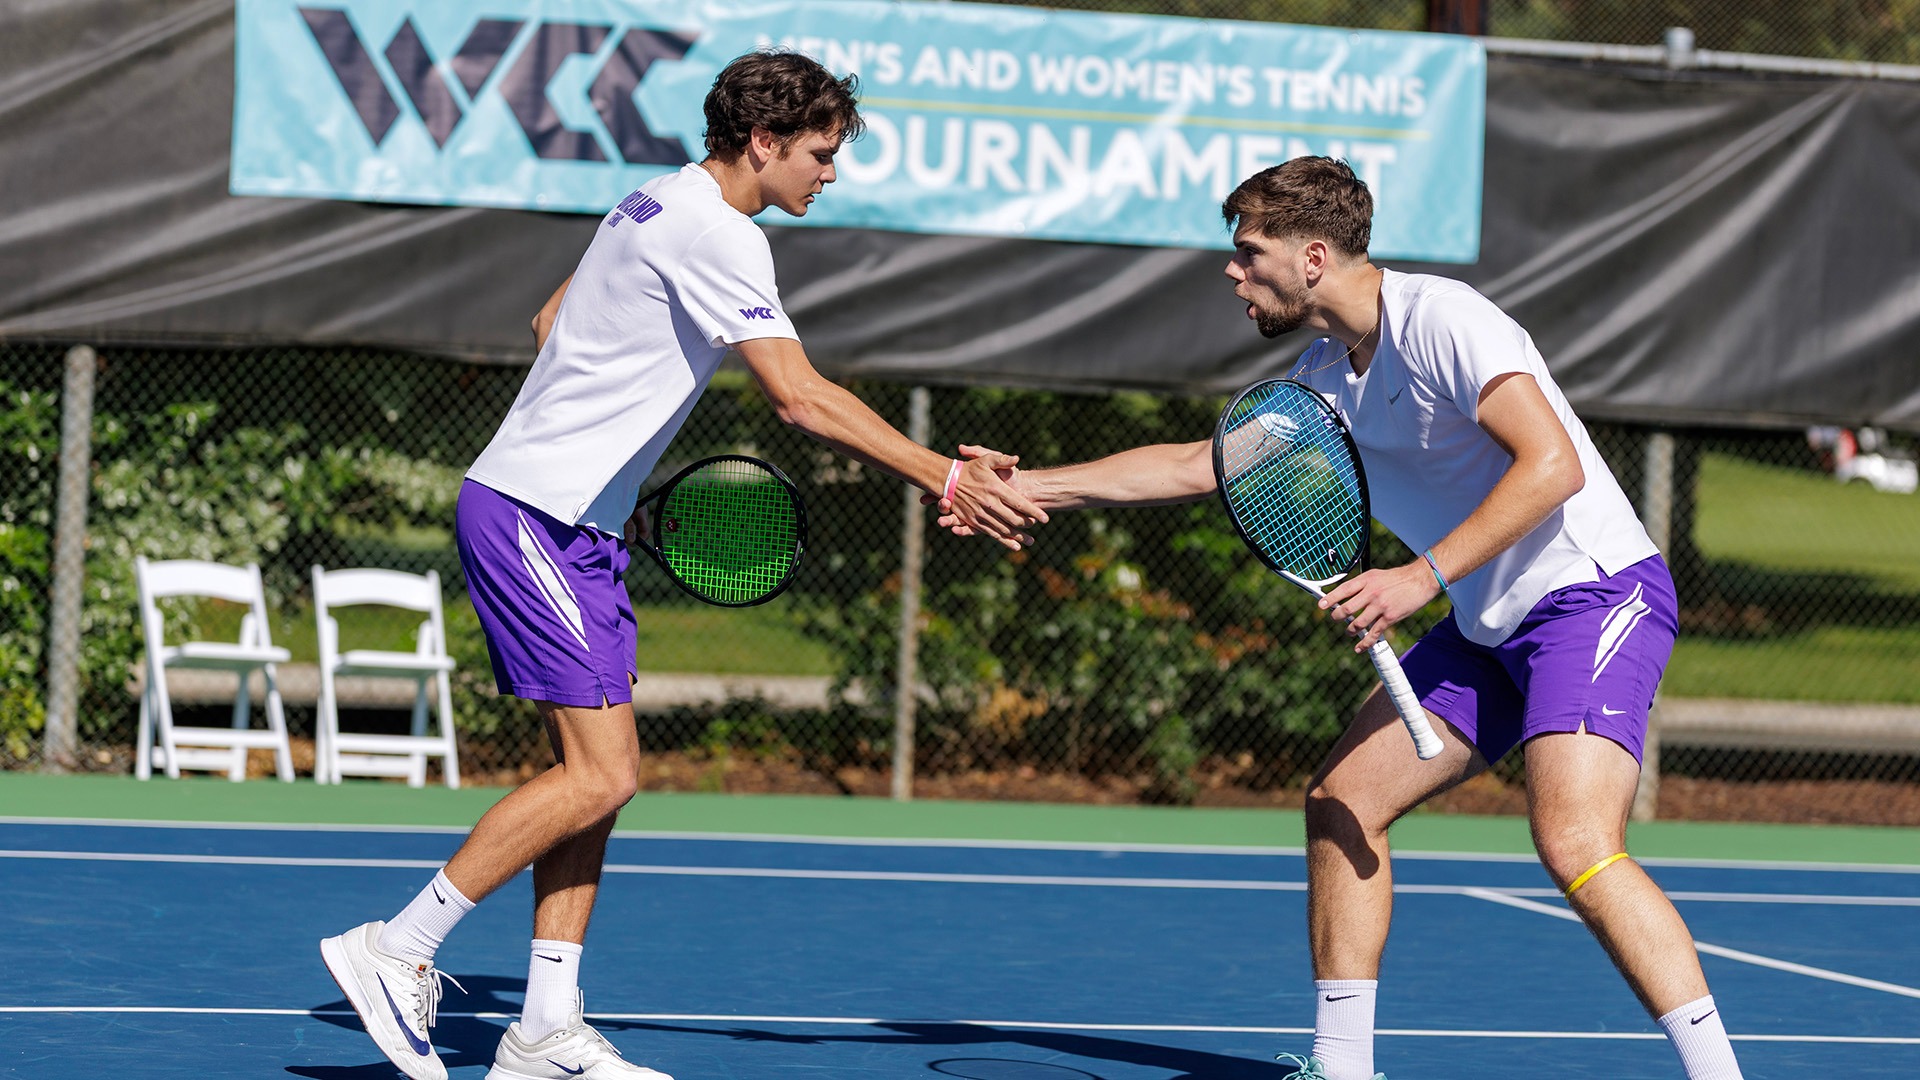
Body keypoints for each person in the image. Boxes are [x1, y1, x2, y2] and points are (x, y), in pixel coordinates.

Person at [320, 50, 1045, 1080]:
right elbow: (798, 397)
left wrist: (600, 416)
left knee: (598, 785)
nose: (828, 174)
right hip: (537, 516)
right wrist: (947, 477)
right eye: (821, 153)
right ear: (763, 141)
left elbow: (550, 322)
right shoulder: (724, 233)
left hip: (576, 526)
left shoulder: (650, 202)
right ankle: (398, 947)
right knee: (604, 772)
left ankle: (545, 1027)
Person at [940, 157, 1742, 1080]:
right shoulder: (1324, 373)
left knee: (1575, 843)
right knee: (1342, 801)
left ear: (1313, 256)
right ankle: (1343, 1069)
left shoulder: (1445, 320)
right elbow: (1202, 466)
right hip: (1487, 622)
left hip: (1594, 596)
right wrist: (1027, 487)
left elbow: (1552, 465)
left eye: (1248, 253)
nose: (1233, 272)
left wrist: (1418, 577)